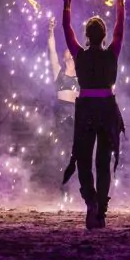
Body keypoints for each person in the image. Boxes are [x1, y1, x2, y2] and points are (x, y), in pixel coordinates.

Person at [61, 0, 125, 230]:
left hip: (87, 109)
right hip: (107, 109)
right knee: (103, 162)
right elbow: (121, 25)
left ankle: (92, 204)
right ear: (103, 35)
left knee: (85, 159)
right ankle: (101, 209)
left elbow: (66, 29)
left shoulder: (79, 55)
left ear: (87, 35)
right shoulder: (112, 52)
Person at [48, 16, 78, 169]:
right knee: (63, 148)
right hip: (62, 112)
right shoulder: (58, 72)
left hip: (78, 112)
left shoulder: (82, 75)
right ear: (64, 57)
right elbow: (52, 51)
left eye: (71, 49)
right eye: (67, 50)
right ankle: (64, 184)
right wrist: (51, 31)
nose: (70, 51)